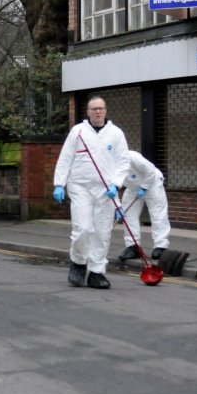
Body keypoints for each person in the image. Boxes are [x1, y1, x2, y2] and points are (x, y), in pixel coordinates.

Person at [52, 96, 130, 289]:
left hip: (105, 191)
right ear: (87, 112)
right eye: (94, 108)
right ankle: (78, 263)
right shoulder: (78, 132)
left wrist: (116, 185)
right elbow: (65, 158)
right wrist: (59, 184)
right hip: (80, 188)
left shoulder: (116, 134)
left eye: (101, 108)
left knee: (102, 232)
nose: (97, 112)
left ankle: (96, 272)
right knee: (83, 228)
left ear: (105, 111)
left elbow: (123, 162)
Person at [118, 150, 171, 262]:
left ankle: (160, 246)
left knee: (158, 215)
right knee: (128, 215)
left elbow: (150, 170)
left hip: (152, 184)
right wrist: (117, 206)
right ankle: (133, 246)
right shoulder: (108, 162)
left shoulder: (132, 157)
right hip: (132, 187)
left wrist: (144, 187)